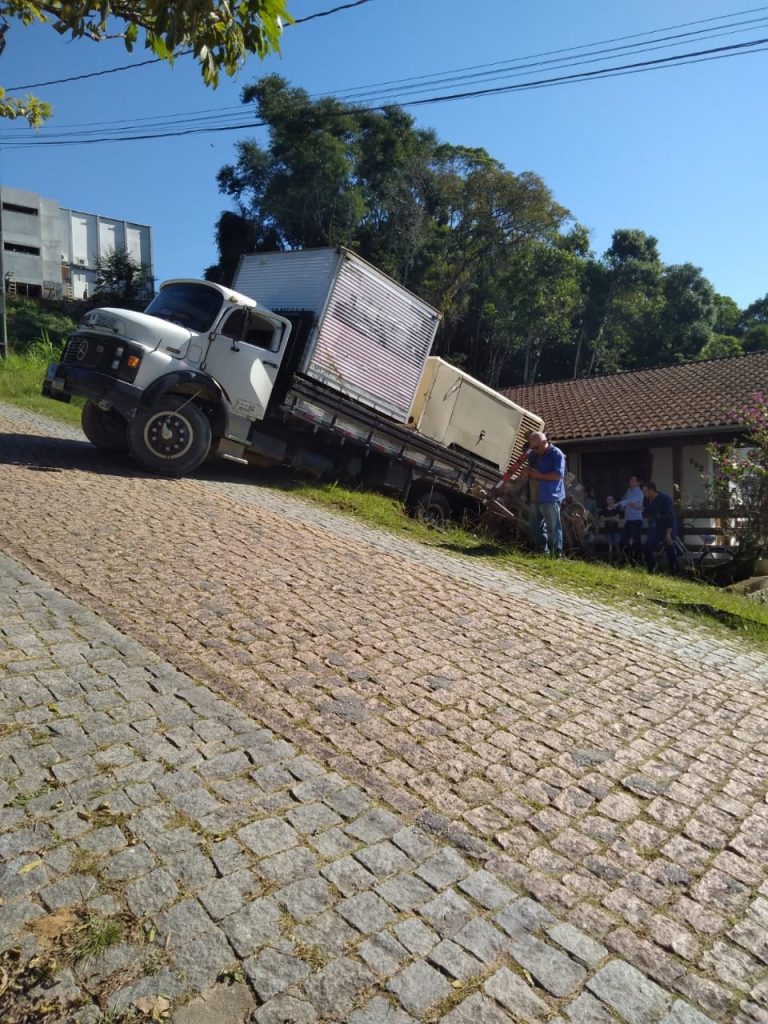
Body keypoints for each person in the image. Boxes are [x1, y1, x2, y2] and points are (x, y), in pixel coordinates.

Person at [523, 431, 566, 557]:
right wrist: (527, 472)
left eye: (537, 447)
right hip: (534, 495)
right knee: (535, 527)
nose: (535, 450)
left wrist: (538, 476)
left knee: (553, 527)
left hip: (550, 497)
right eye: (532, 448)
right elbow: (530, 469)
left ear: (545, 442)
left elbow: (558, 475)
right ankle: (541, 551)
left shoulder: (556, 454)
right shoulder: (533, 454)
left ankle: (555, 554)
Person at [642, 481, 678, 573]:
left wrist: (668, 533)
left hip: (668, 527)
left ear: (651, 490)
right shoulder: (650, 500)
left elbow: (670, 516)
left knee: (669, 549)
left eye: (645, 491)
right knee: (646, 547)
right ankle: (652, 567)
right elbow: (647, 511)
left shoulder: (665, 499)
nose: (644, 493)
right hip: (658, 528)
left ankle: (674, 570)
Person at [617, 474, 644, 561]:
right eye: (630, 480)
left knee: (636, 541)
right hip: (628, 520)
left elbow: (630, 501)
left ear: (638, 482)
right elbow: (624, 499)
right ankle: (628, 556)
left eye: (633, 480)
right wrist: (620, 506)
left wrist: (620, 504)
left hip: (636, 520)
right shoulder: (629, 490)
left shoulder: (639, 492)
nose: (630, 481)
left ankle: (637, 559)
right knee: (623, 540)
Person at [599, 494, 623, 560]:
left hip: (616, 530)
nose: (609, 501)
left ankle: (619, 560)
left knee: (616, 545)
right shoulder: (603, 510)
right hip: (607, 530)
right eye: (608, 499)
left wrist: (606, 518)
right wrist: (612, 517)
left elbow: (617, 519)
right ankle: (610, 561)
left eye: (611, 499)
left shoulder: (616, 509)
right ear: (606, 501)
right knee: (609, 546)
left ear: (614, 500)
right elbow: (601, 519)